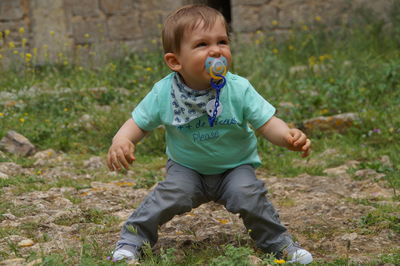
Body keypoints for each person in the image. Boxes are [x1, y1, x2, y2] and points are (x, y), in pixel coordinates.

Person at [107, 4, 313, 264]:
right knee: (168, 196)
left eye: (222, 41)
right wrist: (122, 140)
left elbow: (267, 123)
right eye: (202, 44)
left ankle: (278, 243)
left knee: (249, 195)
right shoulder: (164, 93)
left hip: (235, 167)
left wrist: (288, 137)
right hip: (187, 168)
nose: (216, 50)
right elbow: (138, 123)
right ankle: (132, 240)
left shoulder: (238, 89)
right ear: (175, 61)